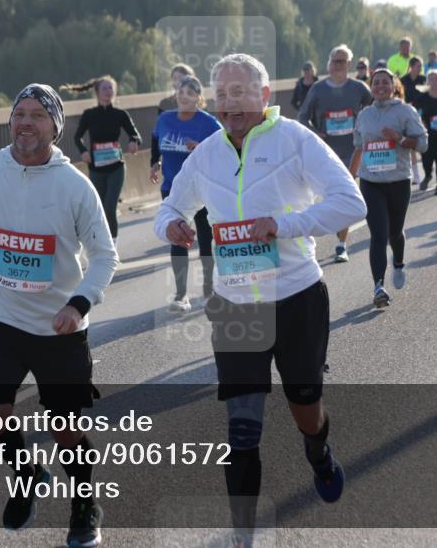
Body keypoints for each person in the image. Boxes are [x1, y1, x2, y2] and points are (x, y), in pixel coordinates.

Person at [156, 53, 367, 547]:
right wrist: (171, 223)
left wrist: (285, 225)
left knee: (305, 405)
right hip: (234, 307)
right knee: (242, 429)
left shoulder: (295, 140)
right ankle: (245, 535)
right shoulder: (205, 153)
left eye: (240, 93)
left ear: (264, 96)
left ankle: (318, 451)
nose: (230, 104)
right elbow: (170, 202)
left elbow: (350, 201)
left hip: (296, 299)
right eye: (222, 95)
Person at [0, 84, 117, 546]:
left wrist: (79, 304)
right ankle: (27, 472)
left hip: (59, 323)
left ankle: (84, 504)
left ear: (55, 127)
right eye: (19, 113)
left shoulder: (74, 185)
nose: (26, 123)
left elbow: (104, 255)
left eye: (38, 115)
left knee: (67, 429)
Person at [349, 68, 428, 307]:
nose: (380, 86)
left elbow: (423, 144)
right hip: (371, 182)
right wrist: (350, 176)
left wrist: (399, 139)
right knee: (378, 235)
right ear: (371, 87)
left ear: (394, 86)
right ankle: (378, 287)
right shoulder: (364, 115)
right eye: (376, 83)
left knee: (395, 232)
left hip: (398, 181)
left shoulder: (405, 111)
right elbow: (358, 145)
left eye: (385, 82)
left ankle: (399, 263)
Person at [150, 75, 221, 312]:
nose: (184, 96)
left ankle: (209, 290)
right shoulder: (165, 119)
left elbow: (226, 147)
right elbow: (155, 139)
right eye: (181, 91)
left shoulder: (208, 123)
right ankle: (181, 295)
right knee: (178, 238)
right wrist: (154, 163)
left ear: (199, 98)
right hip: (172, 189)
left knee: (204, 239)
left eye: (190, 93)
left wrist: (200, 148)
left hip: (200, 190)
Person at [298, 44, 374, 262]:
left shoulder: (359, 88)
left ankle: (341, 245)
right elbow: (303, 116)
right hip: (326, 152)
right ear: (329, 63)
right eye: (334, 61)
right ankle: (310, 240)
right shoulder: (318, 89)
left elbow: (374, 109)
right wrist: (315, 133)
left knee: (345, 194)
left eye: (342, 61)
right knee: (327, 197)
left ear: (348, 65)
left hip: (352, 151)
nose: (337, 65)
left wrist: (365, 128)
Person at [68, 76, 142, 246]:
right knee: (98, 209)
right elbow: (77, 137)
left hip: (116, 167)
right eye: (105, 88)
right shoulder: (89, 115)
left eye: (111, 88)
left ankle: (112, 246)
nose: (109, 91)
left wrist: (133, 141)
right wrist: (83, 151)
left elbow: (134, 133)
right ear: (97, 92)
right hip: (96, 168)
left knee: (110, 207)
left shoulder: (120, 114)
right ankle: (99, 244)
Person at [400, 57, 426, 185]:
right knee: (411, 146)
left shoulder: (423, 79)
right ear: (411, 66)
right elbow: (400, 96)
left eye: (421, 66)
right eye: (417, 66)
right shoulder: (403, 80)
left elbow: (427, 95)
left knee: (423, 144)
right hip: (408, 114)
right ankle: (416, 175)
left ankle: (427, 171)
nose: (420, 68)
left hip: (422, 113)